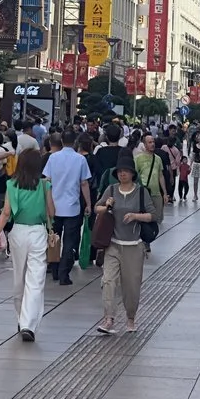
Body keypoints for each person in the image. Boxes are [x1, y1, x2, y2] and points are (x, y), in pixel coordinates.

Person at [96, 157, 158, 335]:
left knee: (131, 286)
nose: (122, 174)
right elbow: (96, 208)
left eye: (126, 171)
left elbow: (153, 215)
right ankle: (109, 318)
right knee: (108, 281)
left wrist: (136, 216)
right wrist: (106, 206)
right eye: (119, 171)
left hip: (134, 246)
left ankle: (131, 318)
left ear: (132, 174)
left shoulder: (140, 192)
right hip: (113, 244)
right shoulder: (112, 190)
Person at [0, 146, 54, 340]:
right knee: (36, 279)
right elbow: (51, 212)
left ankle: (21, 318)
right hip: (38, 231)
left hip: (18, 232)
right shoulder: (44, 185)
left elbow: (6, 213)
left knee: (19, 277)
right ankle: (28, 323)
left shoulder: (11, 184)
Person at [42, 130, 92, 286]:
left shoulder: (53, 158)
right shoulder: (80, 159)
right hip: (72, 207)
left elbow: (47, 180)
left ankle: (54, 268)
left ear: (62, 141)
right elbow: (84, 183)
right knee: (70, 241)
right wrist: (88, 203)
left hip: (54, 206)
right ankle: (64, 273)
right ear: (75, 142)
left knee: (53, 239)